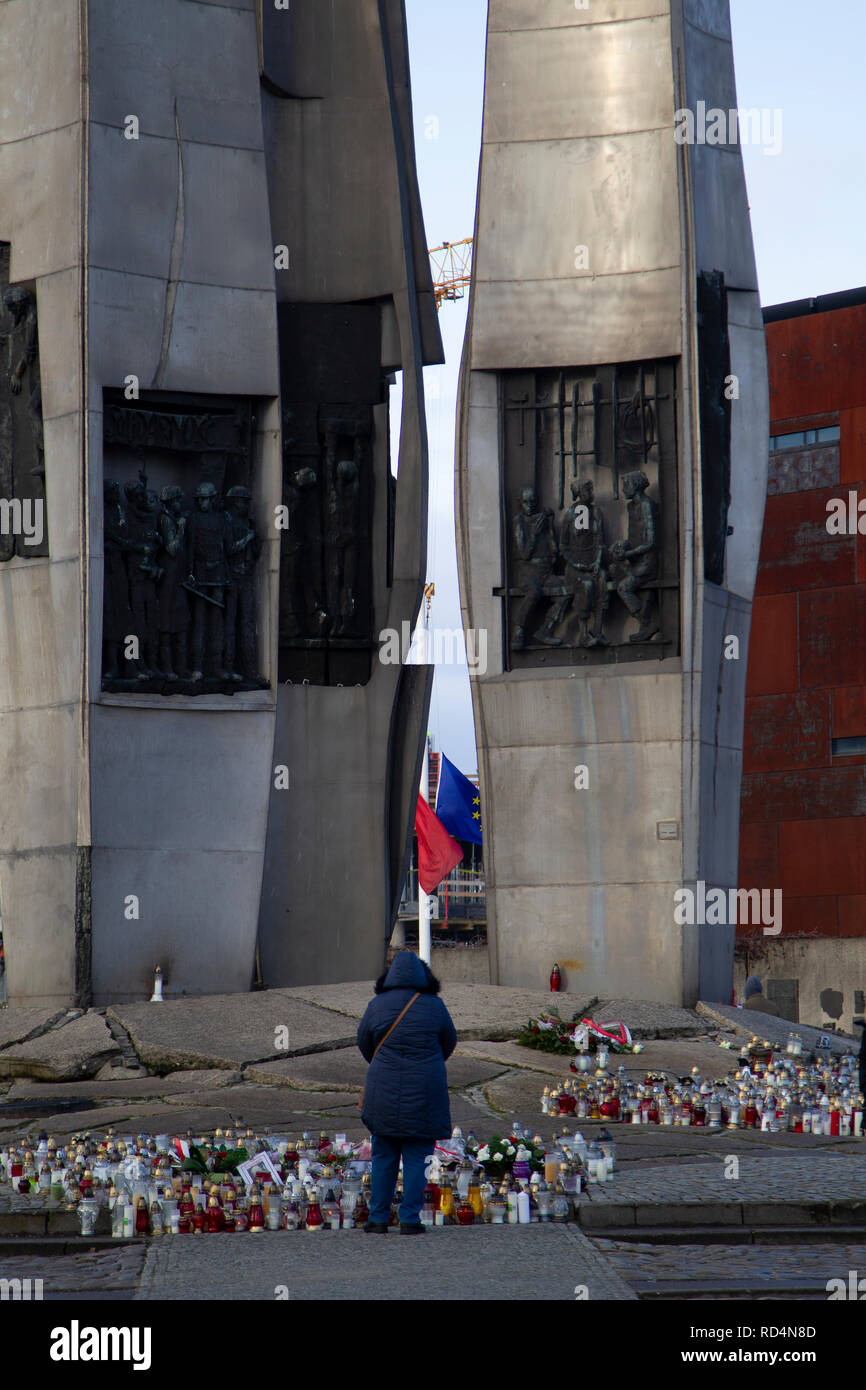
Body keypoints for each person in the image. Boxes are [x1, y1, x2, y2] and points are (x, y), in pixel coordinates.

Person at [357, 951, 457, 1234]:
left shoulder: (376, 1004)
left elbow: (364, 1042)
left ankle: (378, 1219)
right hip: (425, 1091)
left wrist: (384, 1066)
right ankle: (410, 1219)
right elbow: (449, 1042)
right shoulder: (435, 1006)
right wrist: (429, 1063)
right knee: (418, 1156)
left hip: (383, 1090)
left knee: (384, 1155)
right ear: (424, 977)